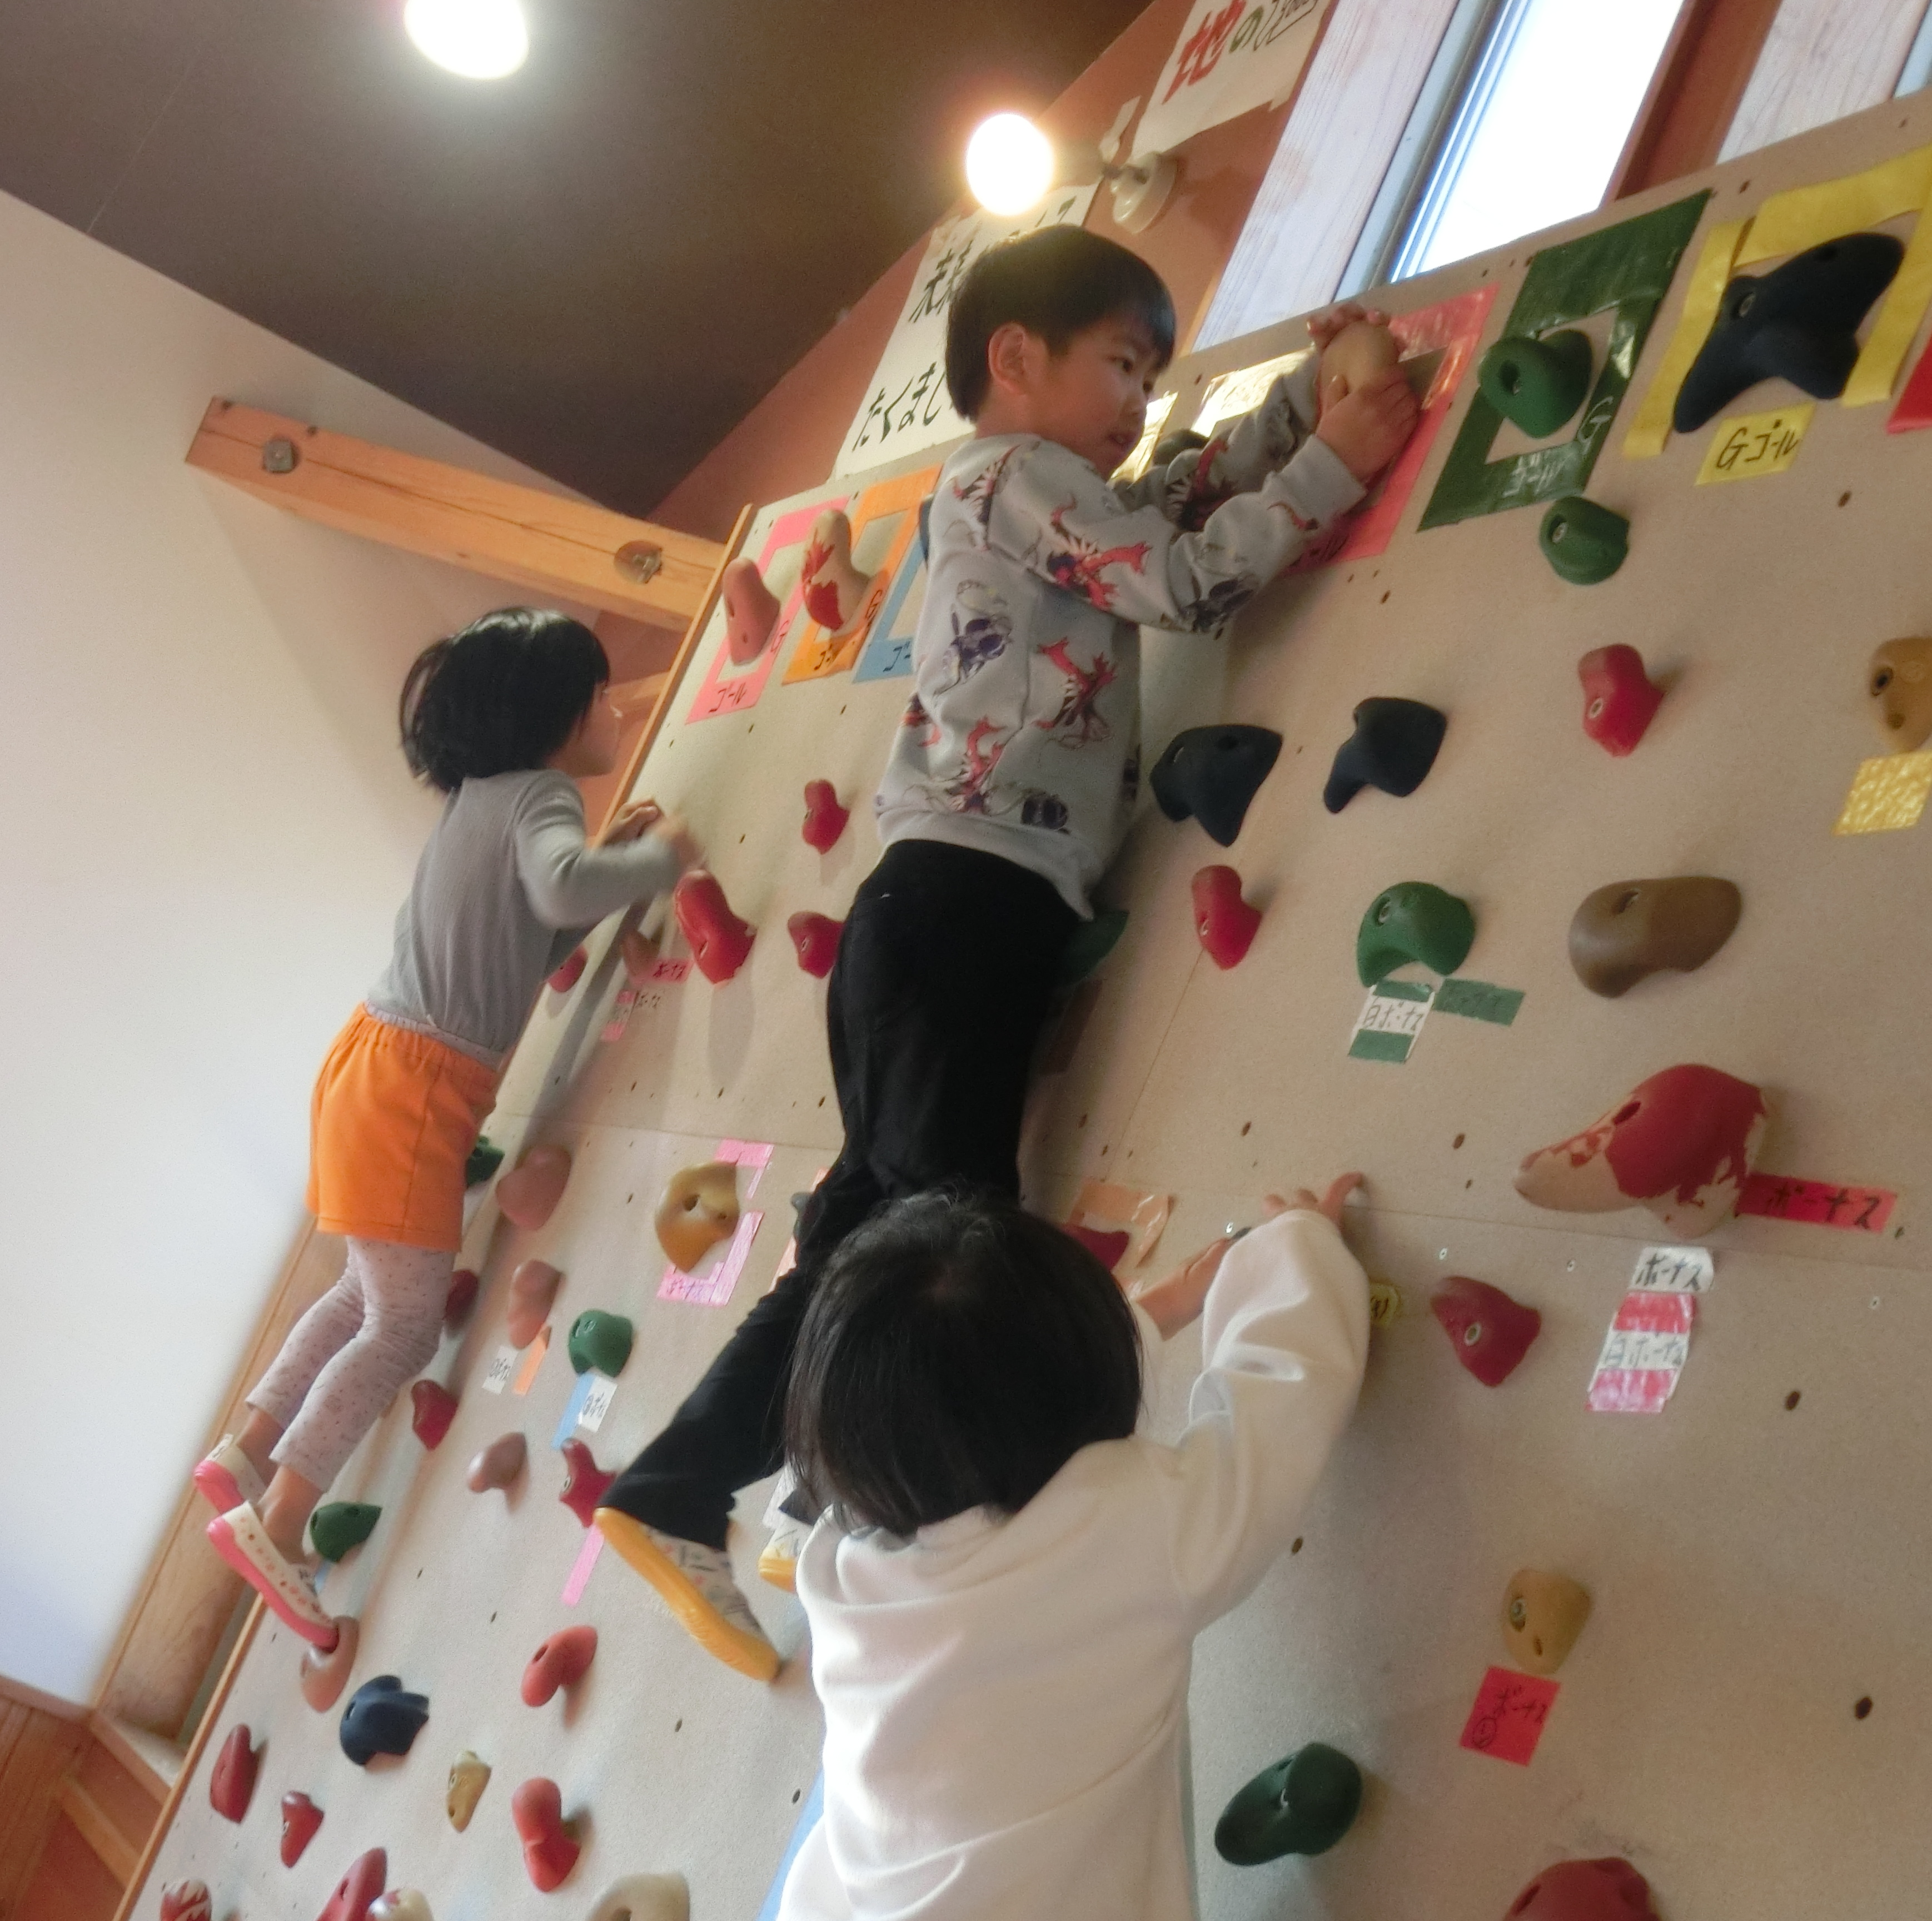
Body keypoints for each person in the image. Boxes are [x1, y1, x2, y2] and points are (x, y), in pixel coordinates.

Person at [592, 222, 1420, 1680]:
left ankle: (715, 1487)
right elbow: (1186, 579)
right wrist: (1337, 464)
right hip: (966, 905)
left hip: (937, 912)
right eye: (1122, 365)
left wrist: (1303, 401)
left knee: (877, 1230)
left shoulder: (1045, 491)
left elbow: (1175, 499)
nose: (1140, 402)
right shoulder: (1010, 478)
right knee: (939, 1250)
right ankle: (794, 1488)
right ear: (1016, 359)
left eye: (1153, 376)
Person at [195, 608, 696, 1648]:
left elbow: (538, 931)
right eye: (601, 696)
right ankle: (278, 1522)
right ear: (559, 716)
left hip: (370, 1065)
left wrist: (616, 859)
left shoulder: (479, 801)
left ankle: (245, 1451)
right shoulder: (542, 795)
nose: (613, 711)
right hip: (417, 1089)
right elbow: (560, 883)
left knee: (362, 1292)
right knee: (403, 1328)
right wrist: (660, 861)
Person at [774, 1176, 1373, 1921]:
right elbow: (1280, 1403)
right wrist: (1299, 1250)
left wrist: (1163, 1307)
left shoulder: (839, 1571)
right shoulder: (1135, 1530)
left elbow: (965, 1405)